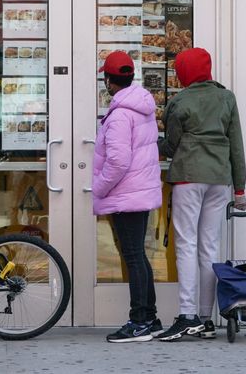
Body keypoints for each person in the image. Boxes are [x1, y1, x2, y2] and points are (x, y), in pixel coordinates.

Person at [156, 47, 246, 342]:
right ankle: (206, 319)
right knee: (209, 247)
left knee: (185, 244)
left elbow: (170, 146)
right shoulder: (226, 98)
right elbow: (237, 146)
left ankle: (186, 315)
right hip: (219, 180)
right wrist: (240, 188)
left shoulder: (180, 101)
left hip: (188, 178)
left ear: (184, 72)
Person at [92, 51, 164, 343]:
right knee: (138, 255)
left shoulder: (121, 114)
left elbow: (118, 162)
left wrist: (98, 188)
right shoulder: (141, 107)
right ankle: (150, 317)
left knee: (133, 257)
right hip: (138, 192)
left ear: (109, 80)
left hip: (125, 195)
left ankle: (139, 322)